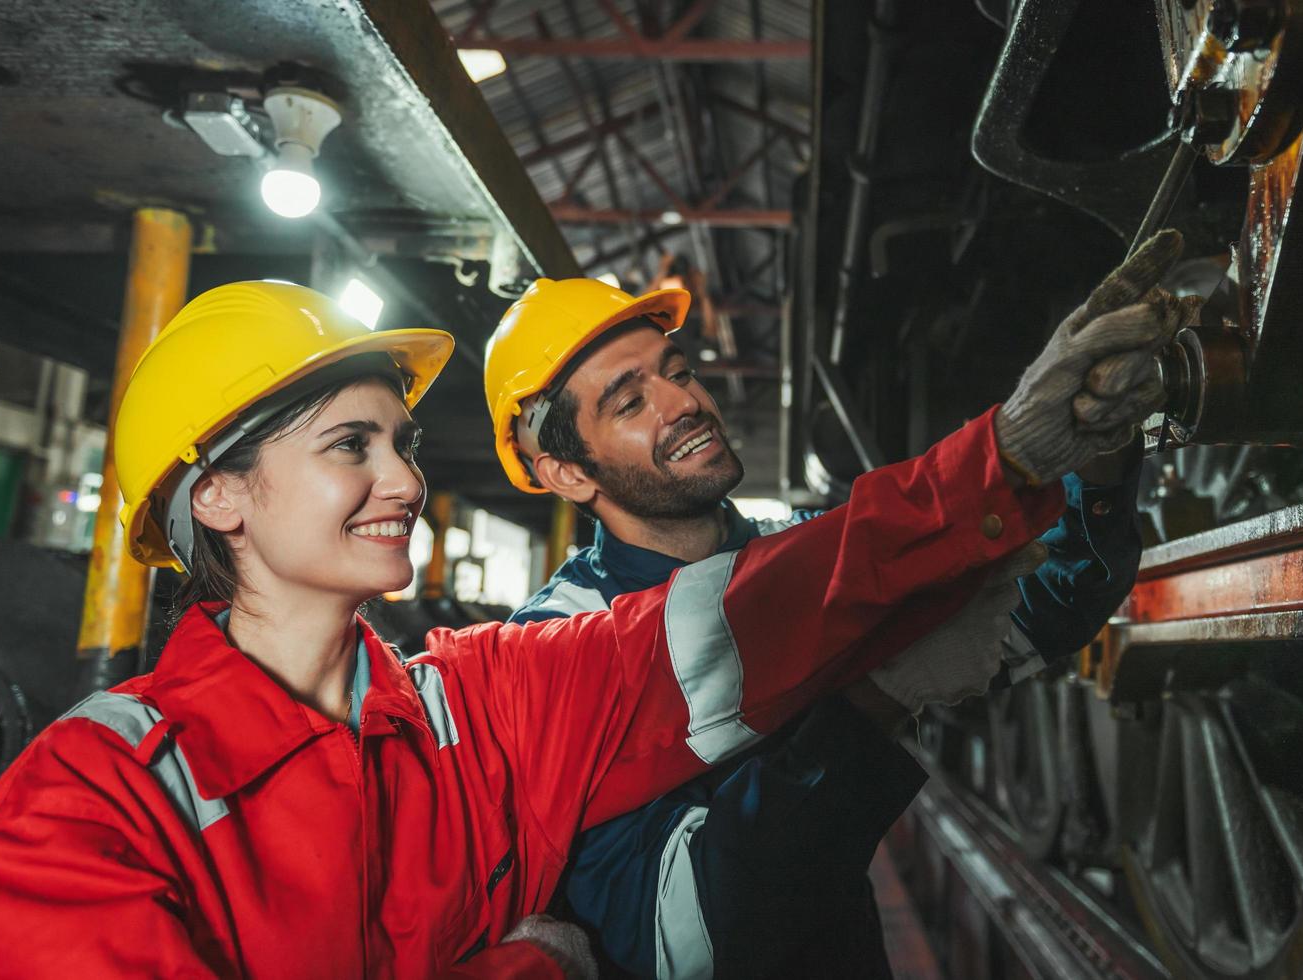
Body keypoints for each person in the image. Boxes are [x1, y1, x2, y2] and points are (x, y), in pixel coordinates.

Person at [0, 232, 1187, 977]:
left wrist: (1021, 453)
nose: (403, 479)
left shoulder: (481, 693)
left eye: (399, 440)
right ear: (219, 496)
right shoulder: (76, 804)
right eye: (350, 446)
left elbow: (751, 613)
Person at [485, 251, 1165, 978]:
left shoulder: (805, 557)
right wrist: (876, 701)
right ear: (567, 472)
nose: (682, 403)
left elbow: (1040, 610)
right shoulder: (552, 647)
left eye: (676, 371)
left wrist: (1096, 453)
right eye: (628, 402)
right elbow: (684, 935)